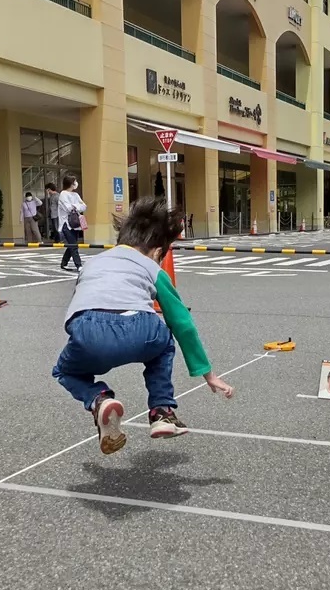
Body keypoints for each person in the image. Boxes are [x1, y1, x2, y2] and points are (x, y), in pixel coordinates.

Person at [52, 197, 234, 455]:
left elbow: (81, 304)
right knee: (164, 342)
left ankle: (99, 399)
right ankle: (162, 411)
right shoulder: (152, 267)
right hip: (142, 328)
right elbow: (182, 323)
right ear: (159, 252)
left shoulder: (93, 263)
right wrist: (208, 375)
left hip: (89, 330)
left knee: (64, 371)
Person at [56, 174, 85, 271]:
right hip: (66, 224)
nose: (76, 183)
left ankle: (64, 263)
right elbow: (68, 208)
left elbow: (84, 206)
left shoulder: (76, 195)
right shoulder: (63, 194)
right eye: (74, 181)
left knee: (72, 244)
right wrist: (77, 206)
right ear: (71, 183)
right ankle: (79, 265)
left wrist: (75, 206)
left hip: (75, 223)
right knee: (73, 245)